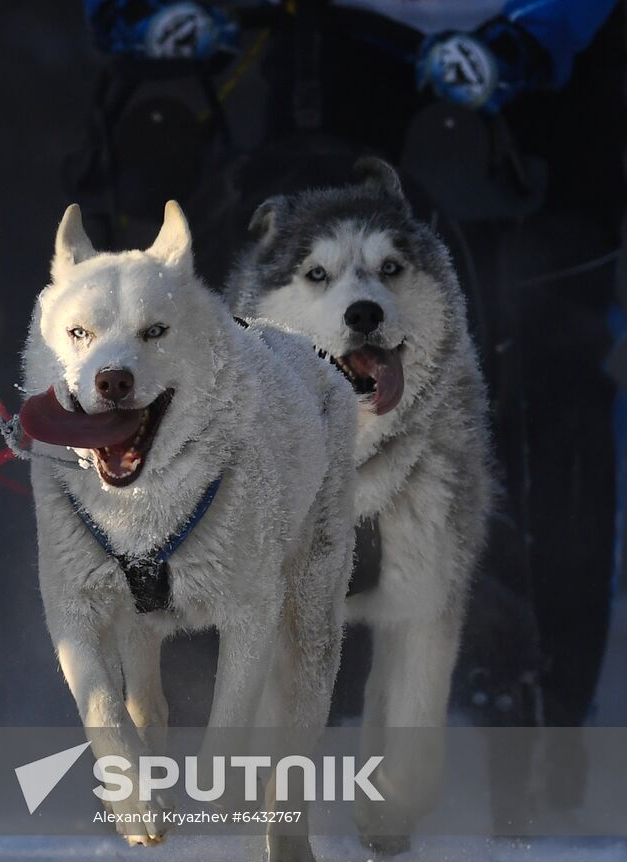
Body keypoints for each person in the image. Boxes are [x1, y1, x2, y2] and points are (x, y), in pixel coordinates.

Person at [69, 0, 624, 733]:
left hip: (523, 103)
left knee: (549, 359)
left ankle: (541, 704)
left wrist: (525, 45)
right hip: (301, 59)